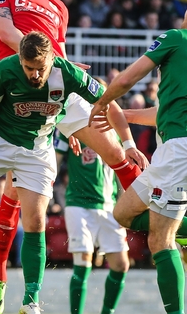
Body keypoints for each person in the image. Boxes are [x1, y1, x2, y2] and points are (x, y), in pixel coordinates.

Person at [0, 0, 148, 314]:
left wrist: (60, 96)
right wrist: (47, 59)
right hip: (14, 88)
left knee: (115, 151)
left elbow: (58, 53)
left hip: (54, 84)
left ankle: (157, 215)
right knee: (14, 193)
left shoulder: (58, 7)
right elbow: (4, 32)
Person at [0, 32, 125, 314]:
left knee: (36, 221)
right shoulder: (3, 70)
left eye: (40, 68)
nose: (35, 75)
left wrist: (129, 143)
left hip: (37, 148)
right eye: (29, 68)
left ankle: (31, 298)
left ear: (53, 58)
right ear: (20, 61)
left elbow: (109, 99)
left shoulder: (68, 73)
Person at [89, 0, 187, 314]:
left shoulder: (178, 38)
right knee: (123, 214)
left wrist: (103, 103)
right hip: (185, 148)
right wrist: (124, 116)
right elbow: (165, 111)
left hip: (181, 152)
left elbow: (127, 79)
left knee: (160, 241)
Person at [55, 125, 129, 314]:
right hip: (79, 204)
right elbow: (55, 162)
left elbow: (122, 171)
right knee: (83, 260)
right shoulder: (71, 127)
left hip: (109, 206)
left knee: (121, 264)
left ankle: (107, 311)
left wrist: (124, 205)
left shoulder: (114, 130)